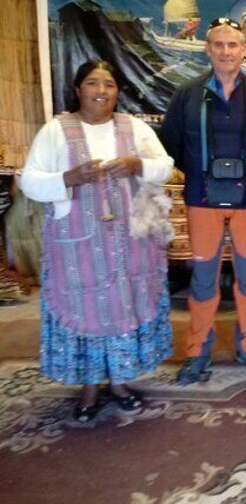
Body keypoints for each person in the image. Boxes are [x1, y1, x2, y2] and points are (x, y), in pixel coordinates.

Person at [21, 60, 174, 422]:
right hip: (78, 245)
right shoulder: (57, 131)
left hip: (128, 242)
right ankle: (89, 387)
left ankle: (120, 383)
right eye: (93, 83)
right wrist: (69, 177)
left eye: (108, 84)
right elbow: (29, 180)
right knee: (86, 308)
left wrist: (138, 165)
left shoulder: (132, 128)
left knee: (124, 304)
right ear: (78, 89)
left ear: (117, 92)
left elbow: (165, 165)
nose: (101, 91)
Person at [160, 18, 246, 385]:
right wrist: (200, 172)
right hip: (202, 199)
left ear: (244, 50)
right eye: (219, 45)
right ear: (208, 49)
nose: (226, 52)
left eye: (233, 45)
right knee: (203, 280)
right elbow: (172, 144)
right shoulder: (186, 94)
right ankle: (197, 351)